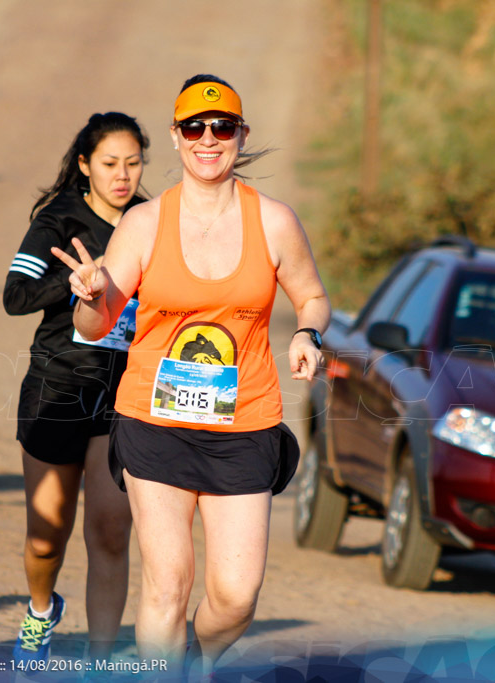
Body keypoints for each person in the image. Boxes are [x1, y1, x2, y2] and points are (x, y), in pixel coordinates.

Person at [53, 75, 330, 675]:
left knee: (235, 597)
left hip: (245, 424)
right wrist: (90, 292)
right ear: (177, 138)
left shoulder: (275, 222)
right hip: (154, 423)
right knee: (167, 583)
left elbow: (311, 296)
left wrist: (307, 333)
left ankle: (192, 661)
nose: (209, 139)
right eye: (194, 127)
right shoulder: (145, 224)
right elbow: (96, 324)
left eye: (222, 126)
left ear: (240, 135)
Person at [3, 112, 148, 663]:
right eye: (110, 163)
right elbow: (15, 297)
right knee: (47, 536)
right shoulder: (59, 221)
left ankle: (99, 662)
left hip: (125, 396)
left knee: (111, 531)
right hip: (58, 386)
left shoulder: (154, 222)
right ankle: (41, 610)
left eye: (134, 164)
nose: (123, 175)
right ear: (85, 165)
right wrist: (75, 285)